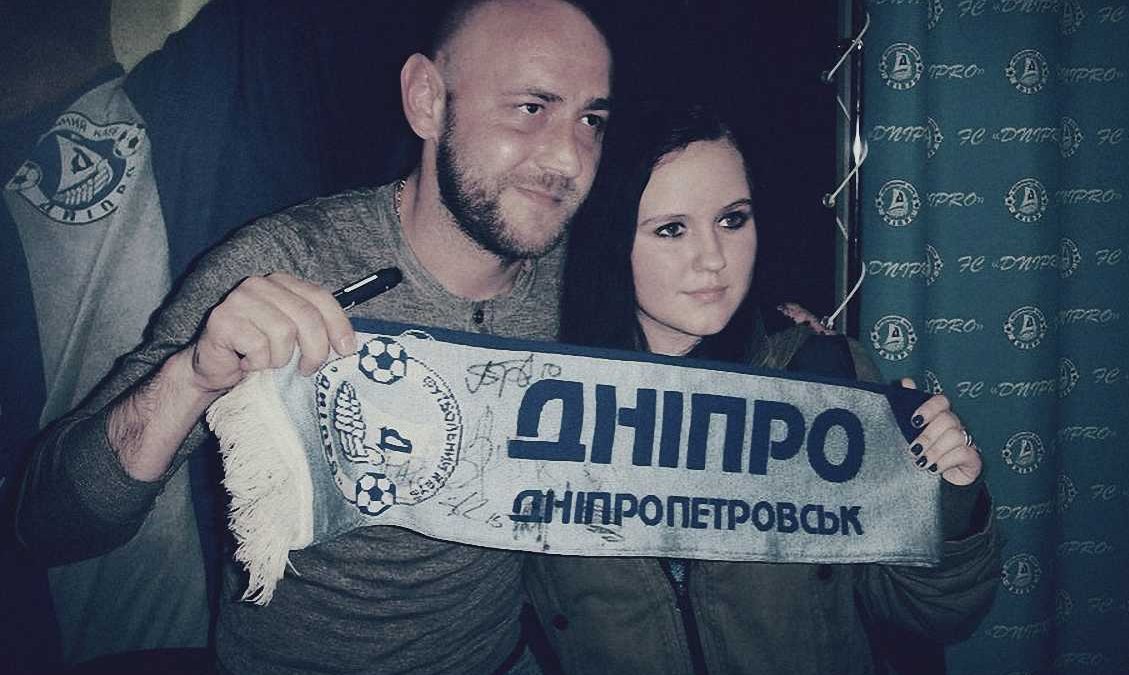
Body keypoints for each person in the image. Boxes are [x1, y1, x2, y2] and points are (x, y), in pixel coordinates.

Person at [14, 0, 612, 672]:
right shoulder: (285, 261)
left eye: (591, 119)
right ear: (427, 100)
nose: (569, 157)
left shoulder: (594, 284)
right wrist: (193, 376)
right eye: (531, 107)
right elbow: (46, 523)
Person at [525, 103, 1001, 674]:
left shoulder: (824, 379)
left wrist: (948, 506)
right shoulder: (539, 401)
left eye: (733, 220)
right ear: (609, 237)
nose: (714, 259)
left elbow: (934, 616)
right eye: (671, 229)